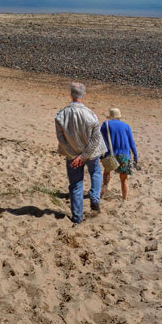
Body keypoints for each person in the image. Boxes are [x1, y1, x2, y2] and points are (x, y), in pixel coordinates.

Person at [55, 81, 106, 224]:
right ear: (83, 95)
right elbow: (96, 139)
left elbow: (61, 139)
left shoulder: (61, 115)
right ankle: (95, 196)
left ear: (71, 95)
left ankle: (77, 217)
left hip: (72, 154)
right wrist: (83, 156)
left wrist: (75, 157)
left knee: (76, 184)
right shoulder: (91, 115)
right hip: (90, 153)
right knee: (95, 171)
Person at [100, 107, 140, 201]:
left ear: (110, 116)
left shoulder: (106, 124)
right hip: (124, 155)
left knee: (106, 173)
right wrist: (135, 157)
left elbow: (100, 140)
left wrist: (100, 155)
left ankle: (104, 188)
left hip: (111, 154)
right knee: (124, 179)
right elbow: (132, 143)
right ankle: (124, 198)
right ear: (119, 116)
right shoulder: (126, 126)